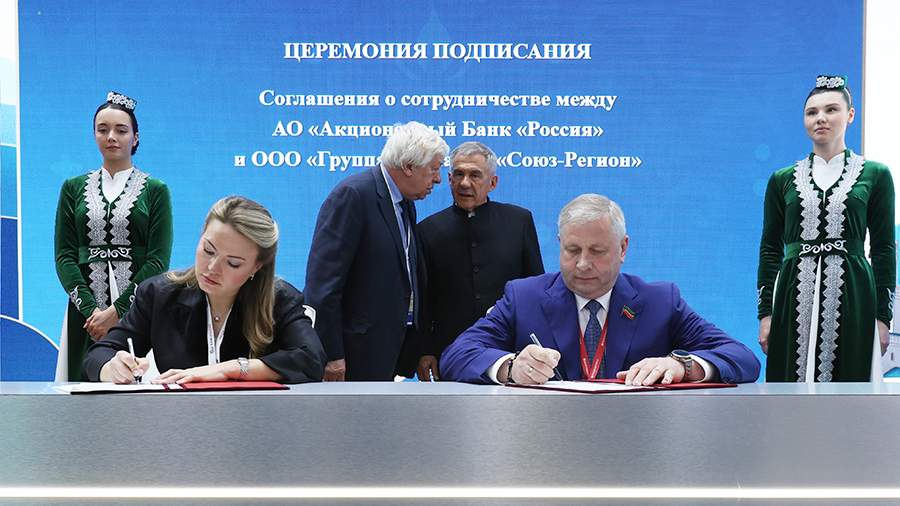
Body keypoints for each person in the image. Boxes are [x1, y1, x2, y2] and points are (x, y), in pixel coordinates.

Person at [441, 194, 760, 385]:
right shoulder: (523, 297)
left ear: (623, 248)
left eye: (597, 251)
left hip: (636, 445)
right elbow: (456, 355)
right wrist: (511, 368)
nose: (582, 264)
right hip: (543, 443)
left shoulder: (661, 302)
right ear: (559, 245)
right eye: (572, 250)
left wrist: (682, 366)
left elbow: (742, 358)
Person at [83, 196, 326, 384]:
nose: (212, 268)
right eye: (208, 250)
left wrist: (228, 369)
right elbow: (99, 354)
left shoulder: (280, 299)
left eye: (233, 263)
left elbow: (311, 360)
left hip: (256, 423)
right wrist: (112, 368)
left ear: (257, 267)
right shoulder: (159, 294)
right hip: (182, 424)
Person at [758, 75, 895, 382]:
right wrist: (766, 314)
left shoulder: (875, 174)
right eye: (812, 112)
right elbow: (769, 249)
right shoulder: (782, 179)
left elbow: (884, 248)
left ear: (850, 115)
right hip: (793, 293)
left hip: (854, 294)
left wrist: (882, 318)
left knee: (851, 386)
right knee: (789, 387)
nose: (820, 118)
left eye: (831, 109)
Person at [305, 121, 449, 381]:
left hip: (389, 349)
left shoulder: (405, 202)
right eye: (434, 169)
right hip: (353, 354)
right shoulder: (353, 196)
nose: (438, 179)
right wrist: (331, 353)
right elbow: (323, 284)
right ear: (408, 166)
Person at [54, 91, 173, 381]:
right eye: (102, 129)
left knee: (137, 381)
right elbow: (65, 257)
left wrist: (118, 312)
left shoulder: (155, 190)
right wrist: (91, 311)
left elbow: (158, 261)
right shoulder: (72, 188)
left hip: (139, 308)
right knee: (80, 385)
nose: (111, 137)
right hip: (85, 313)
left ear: (135, 137)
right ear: (94, 135)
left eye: (121, 130)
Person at [416, 141, 544, 380]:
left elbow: (535, 288)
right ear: (449, 179)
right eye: (459, 174)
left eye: (475, 175)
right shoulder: (427, 230)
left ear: (492, 182)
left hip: (511, 348)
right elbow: (423, 299)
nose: (465, 183)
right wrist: (424, 350)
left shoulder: (519, 221)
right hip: (450, 351)